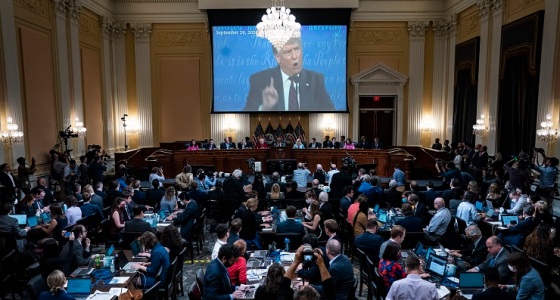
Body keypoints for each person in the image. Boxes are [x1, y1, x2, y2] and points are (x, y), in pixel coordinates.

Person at [244, 37, 334, 111]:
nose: (295, 56)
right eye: (288, 52)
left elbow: (331, 113)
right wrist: (265, 108)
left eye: (297, 49)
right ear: (278, 58)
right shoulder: (261, 80)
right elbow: (247, 118)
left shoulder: (316, 80)